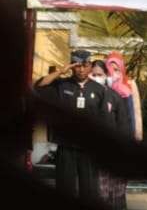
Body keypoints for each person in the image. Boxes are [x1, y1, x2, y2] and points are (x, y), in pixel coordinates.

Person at [34, 48, 108, 201]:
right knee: (65, 186)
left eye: (85, 65)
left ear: (90, 66)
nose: (81, 69)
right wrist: (61, 71)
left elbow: (103, 119)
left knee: (89, 189)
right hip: (66, 145)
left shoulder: (99, 90)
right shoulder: (61, 85)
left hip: (88, 147)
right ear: (72, 66)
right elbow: (40, 86)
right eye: (77, 65)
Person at [88, 59, 132, 209]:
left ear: (107, 75)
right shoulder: (83, 94)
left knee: (112, 184)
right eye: (93, 75)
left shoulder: (115, 96)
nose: (96, 77)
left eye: (99, 74)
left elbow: (123, 124)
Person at [102, 51, 142, 210]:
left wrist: (137, 134)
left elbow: (136, 111)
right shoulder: (102, 84)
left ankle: (119, 201)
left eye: (117, 68)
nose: (114, 72)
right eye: (110, 68)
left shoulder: (130, 84)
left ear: (122, 68)